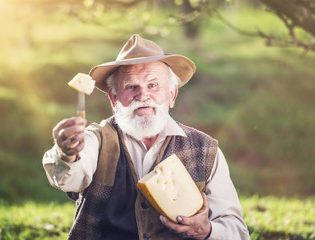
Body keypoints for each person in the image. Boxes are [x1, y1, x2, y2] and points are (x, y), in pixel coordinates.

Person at [43, 34, 250, 240]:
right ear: (114, 98)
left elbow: (236, 230)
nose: (142, 96)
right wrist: (66, 153)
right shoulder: (95, 140)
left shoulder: (205, 149)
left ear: (171, 95)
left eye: (153, 85)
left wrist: (207, 231)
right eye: (131, 87)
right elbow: (67, 178)